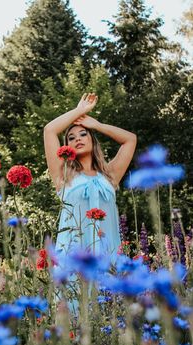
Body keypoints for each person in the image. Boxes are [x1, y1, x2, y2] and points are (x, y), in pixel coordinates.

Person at [44, 92, 137, 262]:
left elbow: (130, 139)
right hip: (74, 263)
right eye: (71, 138)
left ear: (93, 140)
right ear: (67, 146)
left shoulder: (110, 175)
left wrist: (97, 125)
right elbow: (49, 130)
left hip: (107, 261)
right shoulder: (63, 175)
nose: (77, 139)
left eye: (83, 134)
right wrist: (79, 110)